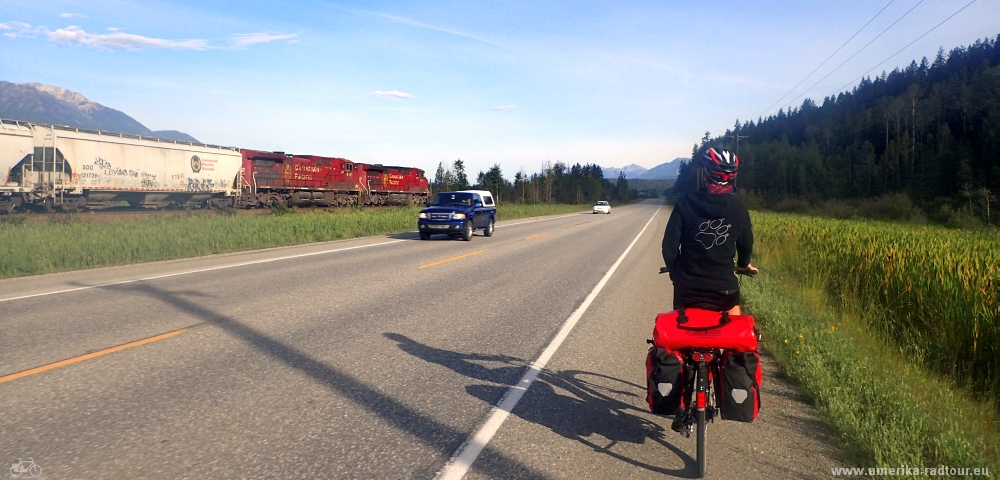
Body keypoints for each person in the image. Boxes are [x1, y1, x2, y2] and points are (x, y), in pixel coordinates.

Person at [661, 147, 757, 315]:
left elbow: (669, 248)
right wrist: (743, 265)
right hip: (724, 290)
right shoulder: (739, 209)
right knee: (733, 334)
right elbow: (746, 246)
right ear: (732, 176)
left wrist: (676, 274)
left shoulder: (685, 203)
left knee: (683, 330)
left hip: (687, 288)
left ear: (706, 172)